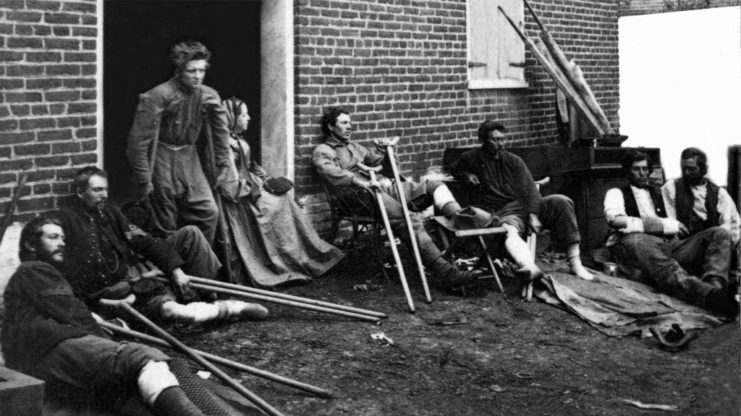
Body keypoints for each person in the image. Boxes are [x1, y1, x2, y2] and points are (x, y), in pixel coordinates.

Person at [1, 216, 256, 416]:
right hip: (48, 347)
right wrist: (113, 345)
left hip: (46, 354)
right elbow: (73, 313)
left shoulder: (42, 274)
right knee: (138, 357)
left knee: (147, 372)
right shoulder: (34, 269)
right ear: (31, 244)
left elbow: (77, 307)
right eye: (53, 237)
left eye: (63, 238)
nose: (62, 243)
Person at [52, 166, 268, 324]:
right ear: (80, 193)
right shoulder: (66, 221)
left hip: (133, 268)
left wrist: (174, 268)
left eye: (105, 189)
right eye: (97, 190)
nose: (104, 195)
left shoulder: (110, 212)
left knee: (191, 233)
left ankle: (211, 294)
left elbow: (142, 240)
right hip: (117, 285)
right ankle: (206, 306)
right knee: (166, 307)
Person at [313, 107, 488, 288]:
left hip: (381, 189)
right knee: (408, 218)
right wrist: (358, 181)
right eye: (344, 123)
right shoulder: (323, 150)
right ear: (331, 127)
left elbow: (387, 169)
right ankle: (447, 273)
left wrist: (387, 153)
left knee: (434, 185)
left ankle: (460, 219)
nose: (349, 127)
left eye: (350, 123)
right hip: (359, 199)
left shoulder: (355, 147)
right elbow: (328, 171)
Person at [219, 97, 344, 287]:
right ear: (231, 118)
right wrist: (254, 189)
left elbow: (250, 165)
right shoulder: (224, 144)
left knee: (284, 198)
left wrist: (266, 178)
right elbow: (230, 182)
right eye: (243, 115)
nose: (249, 118)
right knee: (276, 206)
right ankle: (285, 260)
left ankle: (307, 256)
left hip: (251, 186)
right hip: (240, 197)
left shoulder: (237, 138)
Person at [450, 121, 593, 282]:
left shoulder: (513, 160)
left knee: (562, 201)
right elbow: (454, 169)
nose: (501, 144)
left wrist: (533, 214)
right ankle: (529, 267)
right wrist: (466, 175)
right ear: (483, 140)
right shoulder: (470, 158)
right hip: (501, 212)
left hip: (524, 205)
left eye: (503, 139)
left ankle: (575, 262)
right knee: (509, 228)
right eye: (495, 140)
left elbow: (529, 189)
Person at [603, 150, 736, 319]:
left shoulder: (660, 193)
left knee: (720, 233)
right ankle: (704, 293)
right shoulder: (616, 193)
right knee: (641, 243)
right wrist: (662, 224)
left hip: (666, 245)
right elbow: (616, 221)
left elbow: (679, 217)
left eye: (645, 168)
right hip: (635, 244)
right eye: (637, 169)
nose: (642, 173)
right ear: (627, 171)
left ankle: (715, 290)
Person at [126, 40, 231, 243]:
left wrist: (223, 165)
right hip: (161, 155)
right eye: (192, 71)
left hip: (188, 156)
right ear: (179, 70)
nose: (198, 76)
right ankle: (172, 267)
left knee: (208, 211)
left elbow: (221, 133)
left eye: (201, 70)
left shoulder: (209, 95)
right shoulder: (158, 95)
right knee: (166, 218)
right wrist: (143, 178)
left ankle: (197, 259)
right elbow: (137, 142)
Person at [661, 147, 740, 245]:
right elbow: (670, 220)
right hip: (683, 244)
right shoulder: (671, 187)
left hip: (712, 243)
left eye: (691, 169)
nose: (686, 173)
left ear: (704, 170)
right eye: (684, 168)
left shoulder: (719, 193)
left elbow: (731, 224)